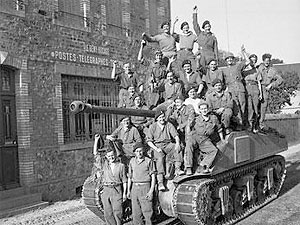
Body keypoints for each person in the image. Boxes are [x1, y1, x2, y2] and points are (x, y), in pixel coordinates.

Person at [146, 110, 184, 191]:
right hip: (157, 145)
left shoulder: (168, 125)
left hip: (167, 144)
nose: (162, 119)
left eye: (163, 117)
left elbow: (175, 135)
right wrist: (156, 148)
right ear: (157, 119)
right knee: (159, 158)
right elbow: (149, 141)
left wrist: (177, 142)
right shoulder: (153, 127)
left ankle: (177, 168)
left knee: (177, 147)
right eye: (160, 117)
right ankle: (160, 182)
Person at [184, 101, 224, 176]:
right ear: (199, 110)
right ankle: (188, 167)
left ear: (208, 109)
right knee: (189, 145)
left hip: (205, 139)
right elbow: (188, 128)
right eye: (202, 109)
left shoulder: (213, 118)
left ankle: (203, 165)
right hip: (195, 137)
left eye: (205, 108)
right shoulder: (196, 119)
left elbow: (219, 129)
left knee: (214, 150)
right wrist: (188, 135)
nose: (204, 110)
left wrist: (222, 139)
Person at [127, 142, 156, 225]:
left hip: (145, 187)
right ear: (134, 152)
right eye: (137, 151)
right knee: (136, 213)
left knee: (147, 211)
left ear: (143, 151)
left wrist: (151, 191)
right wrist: (128, 190)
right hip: (134, 188)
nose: (139, 153)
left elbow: (153, 177)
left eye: (140, 151)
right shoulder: (132, 161)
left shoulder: (148, 161)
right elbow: (130, 177)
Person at [138, 40, 173, 108]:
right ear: (155, 56)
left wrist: (170, 63)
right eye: (157, 55)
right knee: (151, 103)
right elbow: (140, 59)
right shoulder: (151, 63)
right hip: (151, 86)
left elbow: (166, 73)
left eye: (160, 56)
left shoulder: (163, 66)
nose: (159, 57)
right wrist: (141, 46)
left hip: (161, 86)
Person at [101, 146, 127, 225]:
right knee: (108, 213)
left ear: (115, 155)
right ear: (106, 157)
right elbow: (95, 154)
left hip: (117, 189)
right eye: (109, 156)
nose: (111, 157)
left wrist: (125, 193)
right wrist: (96, 140)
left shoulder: (121, 166)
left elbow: (124, 180)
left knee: (118, 212)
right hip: (106, 190)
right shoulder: (104, 165)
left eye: (112, 155)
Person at [257, 53, 283, 132]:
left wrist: (271, 85)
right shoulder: (259, 68)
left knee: (263, 107)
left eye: (268, 61)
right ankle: (253, 124)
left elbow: (280, 80)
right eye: (265, 61)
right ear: (263, 61)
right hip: (257, 88)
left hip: (266, 89)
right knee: (255, 106)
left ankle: (261, 123)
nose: (267, 62)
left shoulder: (273, 70)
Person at [221, 51, 247, 127]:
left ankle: (245, 124)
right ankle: (239, 123)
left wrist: (243, 52)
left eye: (231, 58)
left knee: (243, 105)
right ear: (226, 60)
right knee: (236, 107)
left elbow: (247, 61)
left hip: (239, 87)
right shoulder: (223, 70)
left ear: (233, 59)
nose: (229, 60)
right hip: (230, 89)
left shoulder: (238, 66)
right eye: (228, 58)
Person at [241, 51, 263, 133]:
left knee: (256, 109)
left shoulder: (257, 70)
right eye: (252, 60)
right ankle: (250, 126)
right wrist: (244, 53)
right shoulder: (244, 71)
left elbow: (259, 82)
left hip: (255, 89)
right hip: (247, 89)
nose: (253, 62)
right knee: (250, 108)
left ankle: (256, 126)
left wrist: (260, 93)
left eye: (255, 60)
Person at [192, 6, 218, 72]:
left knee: (210, 72)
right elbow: (195, 25)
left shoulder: (213, 38)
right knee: (199, 71)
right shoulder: (200, 34)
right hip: (201, 56)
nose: (208, 28)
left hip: (210, 57)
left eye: (209, 26)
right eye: (206, 27)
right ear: (204, 28)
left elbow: (216, 50)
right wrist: (195, 13)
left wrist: (216, 60)